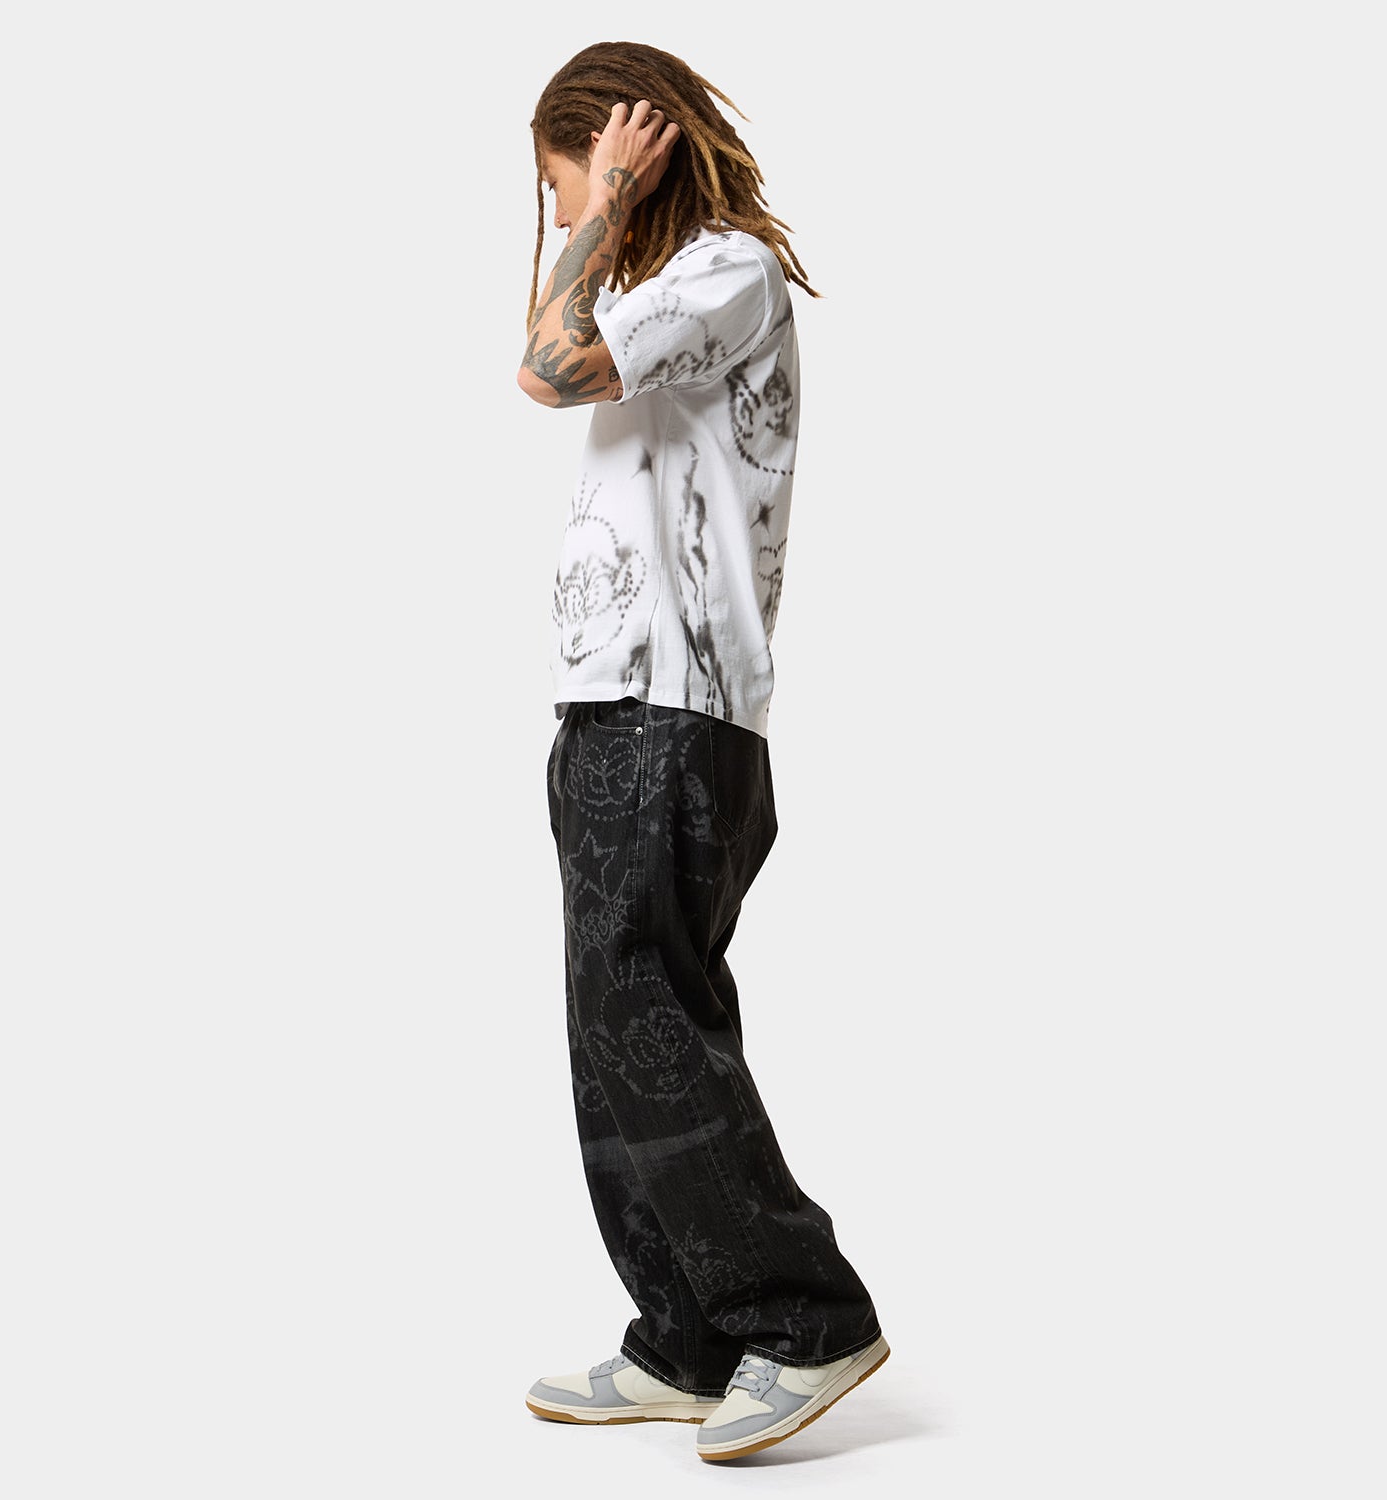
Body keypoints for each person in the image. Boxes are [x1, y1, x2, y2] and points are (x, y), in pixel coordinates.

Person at [517, 42, 889, 1463]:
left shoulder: (723, 271)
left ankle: (805, 1315)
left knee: (649, 1019)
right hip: (614, 708)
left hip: (672, 712)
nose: (558, 217)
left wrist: (609, 200)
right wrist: (600, 225)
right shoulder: (654, 292)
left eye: (560, 184)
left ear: (622, 151)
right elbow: (565, 345)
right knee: (614, 1028)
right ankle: (690, 1336)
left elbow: (545, 368)